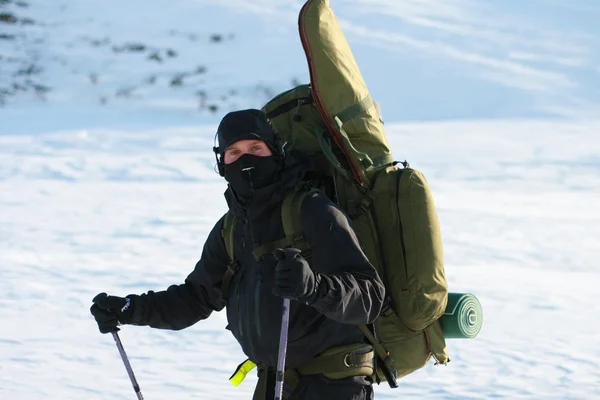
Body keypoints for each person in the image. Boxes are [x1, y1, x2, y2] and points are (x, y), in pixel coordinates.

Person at [90, 109, 385, 400]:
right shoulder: (231, 229)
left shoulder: (313, 211)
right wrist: (130, 309)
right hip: (276, 382)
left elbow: (369, 296)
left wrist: (314, 287)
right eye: (234, 152)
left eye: (256, 148)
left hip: (335, 385)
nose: (245, 159)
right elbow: (195, 298)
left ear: (276, 154)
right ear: (222, 164)